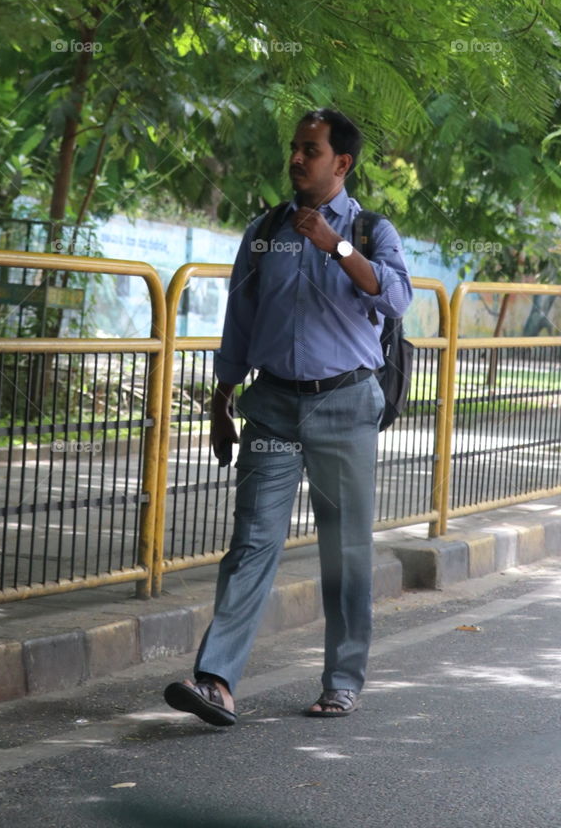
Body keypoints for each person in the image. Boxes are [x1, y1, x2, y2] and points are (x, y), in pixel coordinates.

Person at [163, 108, 412, 724]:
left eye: (311, 149)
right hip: (271, 405)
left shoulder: (371, 229)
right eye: (295, 148)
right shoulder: (266, 230)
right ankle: (216, 681)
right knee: (250, 544)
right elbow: (239, 323)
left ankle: (342, 680)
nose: (297, 159)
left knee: (345, 551)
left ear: (341, 163)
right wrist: (222, 404)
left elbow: (398, 295)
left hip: (345, 404)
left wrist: (338, 247)